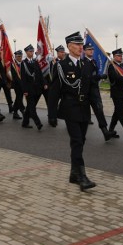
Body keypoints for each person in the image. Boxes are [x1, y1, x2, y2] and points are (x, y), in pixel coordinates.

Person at [48, 31, 96, 192]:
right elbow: (54, 92)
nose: (81, 47)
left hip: (84, 109)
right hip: (70, 108)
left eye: (82, 44)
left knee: (80, 141)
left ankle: (74, 173)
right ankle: (82, 177)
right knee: (76, 141)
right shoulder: (61, 66)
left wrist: (99, 114)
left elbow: (91, 91)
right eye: (77, 44)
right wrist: (52, 114)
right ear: (69, 46)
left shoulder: (86, 64)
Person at [83, 43, 116, 141]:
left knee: (99, 110)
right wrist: (100, 76)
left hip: (94, 90)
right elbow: (88, 77)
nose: (91, 51)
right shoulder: (84, 62)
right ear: (84, 51)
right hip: (87, 91)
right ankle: (80, 134)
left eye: (92, 49)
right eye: (89, 49)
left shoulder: (93, 61)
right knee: (84, 114)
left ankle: (105, 132)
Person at [20, 45, 44, 130]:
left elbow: (40, 74)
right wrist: (25, 90)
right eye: (30, 51)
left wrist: (43, 84)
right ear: (26, 52)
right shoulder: (23, 63)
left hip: (37, 88)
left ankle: (24, 123)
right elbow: (23, 78)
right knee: (32, 107)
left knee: (29, 107)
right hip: (29, 89)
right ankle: (38, 123)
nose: (31, 53)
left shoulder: (35, 62)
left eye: (32, 51)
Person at [9, 49, 25, 120]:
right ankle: (23, 110)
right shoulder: (13, 65)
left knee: (19, 98)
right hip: (16, 84)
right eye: (18, 56)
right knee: (19, 97)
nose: (20, 58)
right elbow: (14, 76)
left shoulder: (23, 63)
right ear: (15, 56)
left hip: (22, 84)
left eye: (21, 56)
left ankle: (15, 112)